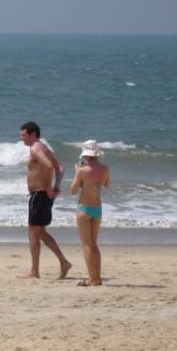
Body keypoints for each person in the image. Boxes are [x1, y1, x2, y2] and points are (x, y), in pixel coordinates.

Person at [19, 121, 72, 279]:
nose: (22, 138)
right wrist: (56, 186)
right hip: (41, 195)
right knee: (37, 232)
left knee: (35, 231)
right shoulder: (42, 147)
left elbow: (49, 166)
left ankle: (44, 268)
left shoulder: (36, 148)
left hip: (40, 195)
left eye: (23, 135)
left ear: (33, 134)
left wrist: (49, 188)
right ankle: (46, 267)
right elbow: (60, 166)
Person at [70, 139, 111, 286]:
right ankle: (97, 277)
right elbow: (107, 184)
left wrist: (77, 173)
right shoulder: (105, 168)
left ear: (86, 155)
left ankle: (92, 278)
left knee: (86, 245)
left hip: (84, 208)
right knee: (94, 244)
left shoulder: (82, 170)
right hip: (97, 209)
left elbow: (73, 190)